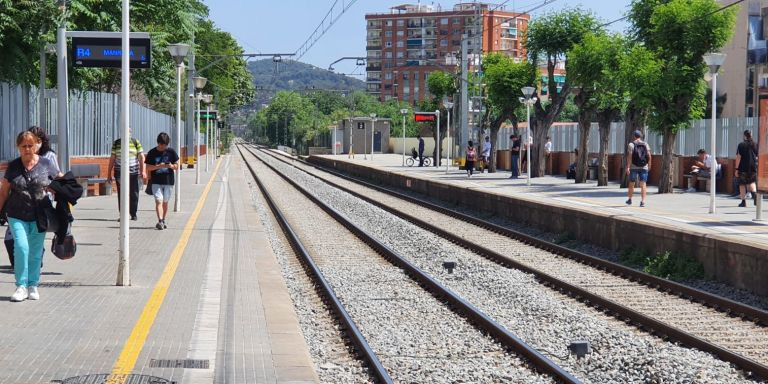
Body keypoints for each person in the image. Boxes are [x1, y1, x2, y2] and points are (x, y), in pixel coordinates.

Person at [0, 131, 63, 301]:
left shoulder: (46, 163)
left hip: (40, 214)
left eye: (30, 145)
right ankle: (21, 286)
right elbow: (4, 192)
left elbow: (60, 180)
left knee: (35, 251)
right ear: (18, 147)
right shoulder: (13, 166)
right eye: (23, 146)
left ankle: (33, 285)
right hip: (16, 213)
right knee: (21, 247)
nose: (27, 149)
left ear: (37, 145)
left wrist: (70, 188)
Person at [144, 132, 180, 230]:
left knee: (165, 202)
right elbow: (148, 167)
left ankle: (163, 219)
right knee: (158, 201)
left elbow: (177, 166)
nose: (164, 147)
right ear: (158, 143)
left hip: (168, 181)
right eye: (162, 144)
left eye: (165, 145)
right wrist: (158, 166)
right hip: (156, 181)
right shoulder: (152, 152)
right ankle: (160, 221)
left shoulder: (171, 152)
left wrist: (171, 166)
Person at [107, 132, 146, 220]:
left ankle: (133, 213)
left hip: (133, 172)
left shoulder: (135, 142)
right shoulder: (116, 143)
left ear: (131, 133)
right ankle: (123, 214)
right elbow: (112, 158)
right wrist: (109, 174)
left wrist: (143, 170)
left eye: (128, 132)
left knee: (134, 193)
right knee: (121, 193)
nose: (126, 133)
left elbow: (141, 157)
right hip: (119, 172)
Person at [626, 130, 652, 207]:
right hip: (644, 166)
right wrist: (649, 165)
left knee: (632, 183)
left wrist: (628, 167)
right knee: (643, 184)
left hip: (634, 166)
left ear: (634, 136)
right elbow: (649, 155)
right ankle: (643, 201)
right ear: (640, 136)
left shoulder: (631, 144)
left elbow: (630, 157)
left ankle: (630, 199)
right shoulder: (646, 144)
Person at [735, 129, 758, 207]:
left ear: (744, 136)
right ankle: (755, 195)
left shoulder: (741, 145)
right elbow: (758, 157)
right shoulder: (755, 144)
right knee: (752, 182)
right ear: (751, 135)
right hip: (753, 167)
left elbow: (738, 157)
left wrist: (736, 169)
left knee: (742, 184)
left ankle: (743, 202)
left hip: (743, 168)